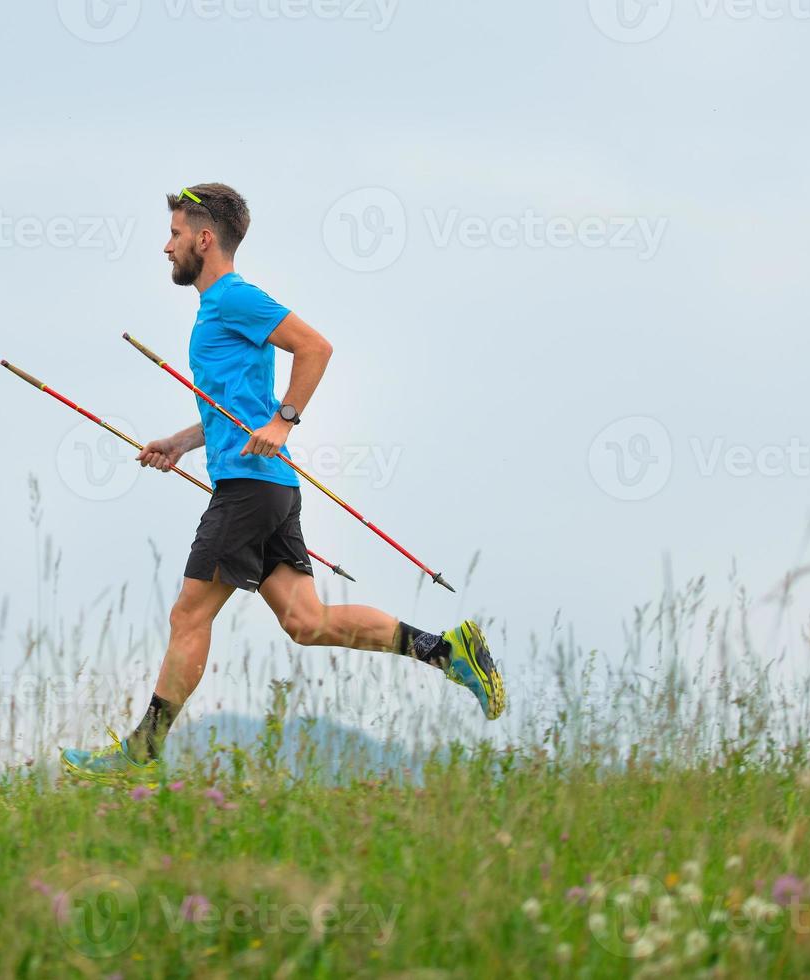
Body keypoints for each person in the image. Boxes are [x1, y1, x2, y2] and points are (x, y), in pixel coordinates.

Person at [60, 183, 505, 782]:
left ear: (204, 238)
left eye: (174, 234)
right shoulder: (218, 308)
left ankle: (141, 750)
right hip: (263, 484)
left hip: (248, 487)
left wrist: (285, 421)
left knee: (189, 616)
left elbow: (315, 348)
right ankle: (448, 650)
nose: (166, 247)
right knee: (306, 622)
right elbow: (232, 404)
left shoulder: (234, 298)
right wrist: (181, 443)